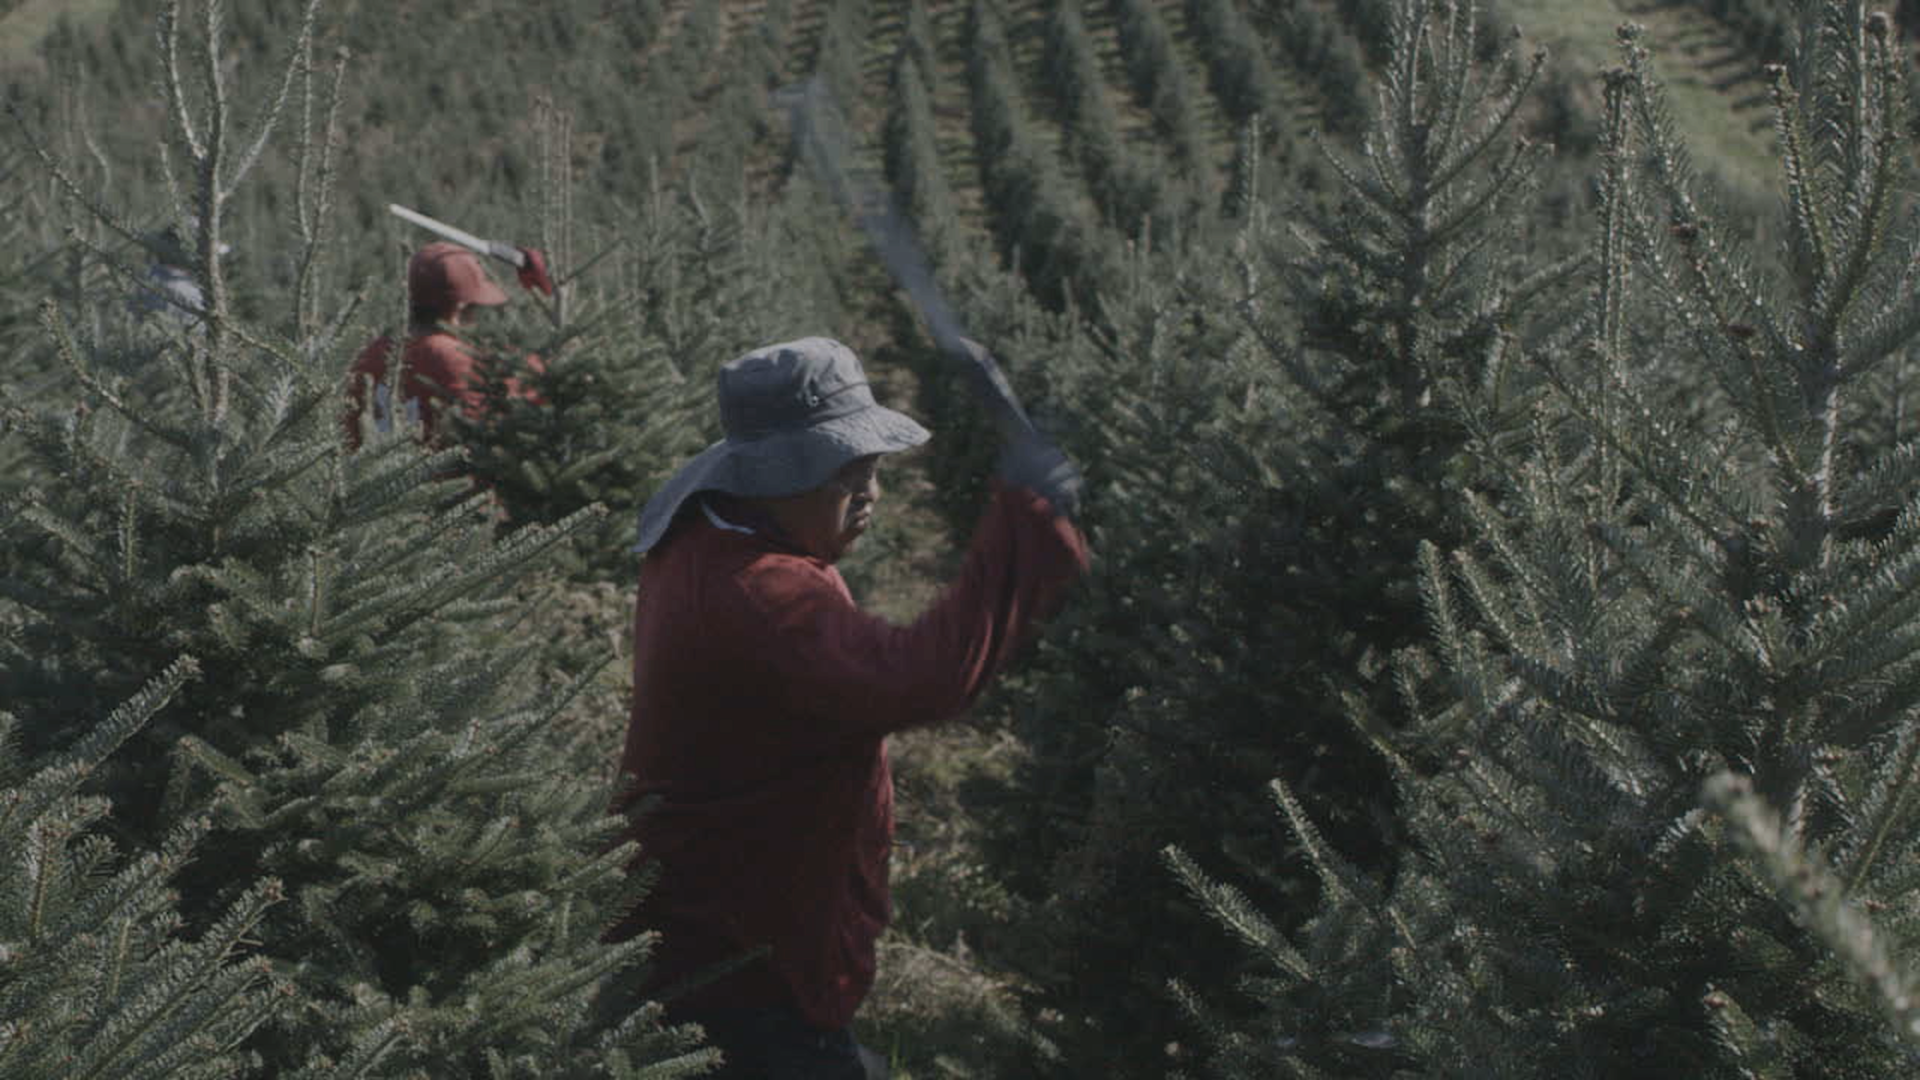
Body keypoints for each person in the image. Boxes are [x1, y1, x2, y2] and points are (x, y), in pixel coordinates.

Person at [600, 337, 1089, 1079]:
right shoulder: (760, 596)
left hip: (719, 921)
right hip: (742, 954)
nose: (872, 495)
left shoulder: (715, 536)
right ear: (771, 477)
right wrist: (1025, 526)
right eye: (845, 476)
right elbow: (921, 677)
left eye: (875, 472)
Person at [341, 241, 550, 448]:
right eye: (474, 308)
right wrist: (543, 288)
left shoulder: (369, 355)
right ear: (459, 308)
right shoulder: (456, 360)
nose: (475, 319)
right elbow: (542, 383)